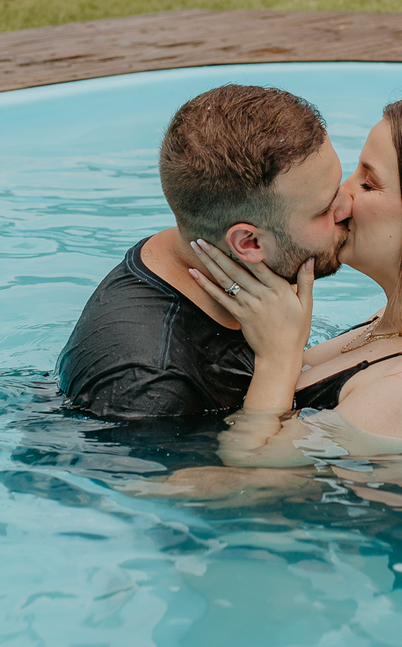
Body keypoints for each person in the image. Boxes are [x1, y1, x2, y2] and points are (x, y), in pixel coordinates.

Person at [187, 94, 402, 464]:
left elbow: (248, 473)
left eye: (368, 184)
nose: (341, 197)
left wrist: (277, 358)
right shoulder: (394, 323)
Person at [56, 83, 352, 420]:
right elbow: (254, 457)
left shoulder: (214, 248)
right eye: (324, 208)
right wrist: (278, 361)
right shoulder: (151, 386)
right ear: (249, 243)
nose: (348, 205)